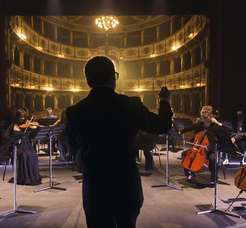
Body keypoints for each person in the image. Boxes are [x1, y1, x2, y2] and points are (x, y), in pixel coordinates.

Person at [66, 56, 172, 227]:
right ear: (112, 78)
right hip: (126, 186)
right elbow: (163, 126)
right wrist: (164, 101)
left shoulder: (74, 112)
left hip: (95, 189)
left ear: (87, 80)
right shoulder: (131, 105)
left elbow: (73, 145)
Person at [178, 105, 228, 188]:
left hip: (211, 149)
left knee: (213, 159)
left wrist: (218, 123)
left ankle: (213, 181)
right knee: (184, 154)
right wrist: (180, 132)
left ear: (211, 116)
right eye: (202, 117)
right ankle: (190, 175)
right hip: (200, 149)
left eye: (206, 117)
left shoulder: (215, 126)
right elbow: (190, 128)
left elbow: (228, 130)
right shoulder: (200, 124)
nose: (204, 119)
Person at [3, 108, 41, 185]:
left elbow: (31, 136)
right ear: (17, 117)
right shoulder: (12, 126)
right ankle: (24, 177)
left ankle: (32, 177)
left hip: (27, 144)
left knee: (33, 155)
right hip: (17, 146)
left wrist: (36, 128)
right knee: (24, 156)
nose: (22, 119)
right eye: (21, 117)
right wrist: (14, 140)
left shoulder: (26, 125)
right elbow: (5, 136)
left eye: (23, 117)